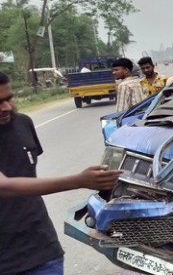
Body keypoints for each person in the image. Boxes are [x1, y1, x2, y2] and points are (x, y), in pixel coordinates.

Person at [0, 71, 121, 275]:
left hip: (41, 250)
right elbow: (4, 186)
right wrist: (78, 180)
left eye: (9, 99)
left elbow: (26, 174)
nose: (6, 107)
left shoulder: (23, 123)